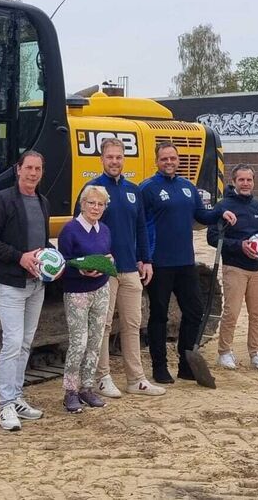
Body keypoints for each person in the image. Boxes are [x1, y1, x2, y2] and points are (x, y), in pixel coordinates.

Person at [76, 138, 166, 399]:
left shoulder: (132, 190)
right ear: (101, 159)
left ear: (123, 159)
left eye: (118, 157)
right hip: (105, 270)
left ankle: (136, 379)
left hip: (130, 269)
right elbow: (78, 227)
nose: (114, 161)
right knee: (103, 325)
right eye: (110, 157)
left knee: (132, 324)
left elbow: (140, 226)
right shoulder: (92, 190)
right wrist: (89, 262)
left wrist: (145, 259)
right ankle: (102, 377)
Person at [141, 142, 235, 384]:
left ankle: (185, 364)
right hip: (159, 264)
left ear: (178, 160)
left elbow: (201, 215)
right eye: (164, 159)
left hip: (185, 262)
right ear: (157, 161)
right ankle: (159, 367)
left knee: (194, 312)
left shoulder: (187, 187)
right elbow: (140, 226)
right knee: (159, 315)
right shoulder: (148, 188)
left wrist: (220, 213)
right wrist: (143, 257)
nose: (169, 162)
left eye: (173, 158)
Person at [0, 150, 51, 432]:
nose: (33, 173)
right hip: (10, 282)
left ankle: (17, 397)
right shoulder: (2, 200)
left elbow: (43, 242)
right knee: (12, 342)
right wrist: (19, 257)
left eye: (38, 169)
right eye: (29, 168)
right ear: (18, 169)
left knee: (25, 343)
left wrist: (53, 261)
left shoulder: (43, 202)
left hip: (36, 284)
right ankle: (5, 404)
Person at [207, 164, 258, 372]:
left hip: (257, 268)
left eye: (249, 180)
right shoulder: (223, 206)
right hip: (234, 267)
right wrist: (240, 245)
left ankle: (256, 352)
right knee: (232, 312)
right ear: (234, 182)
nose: (245, 184)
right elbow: (212, 238)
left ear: (253, 182)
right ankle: (224, 352)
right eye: (241, 180)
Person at [57, 185, 114, 413]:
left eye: (100, 204)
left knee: (95, 340)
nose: (96, 208)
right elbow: (63, 262)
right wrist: (80, 270)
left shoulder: (105, 230)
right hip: (77, 291)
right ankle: (70, 391)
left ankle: (87, 388)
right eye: (91, 203)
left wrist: (107, 263)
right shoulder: (70, 230)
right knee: (78, 342)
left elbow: (108, 256)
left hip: (100, 288)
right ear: (82, 204)